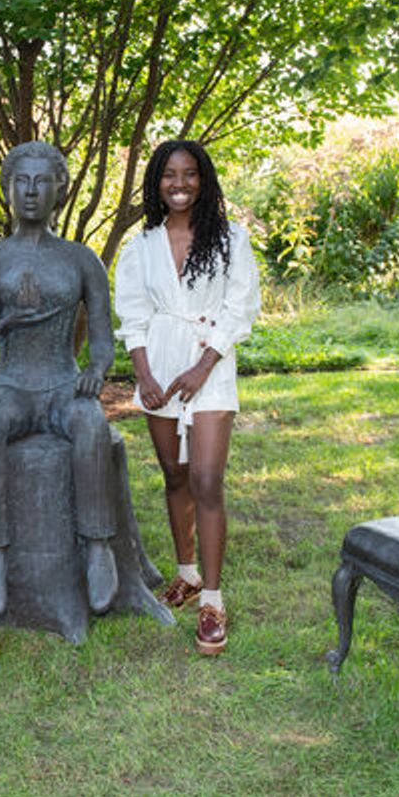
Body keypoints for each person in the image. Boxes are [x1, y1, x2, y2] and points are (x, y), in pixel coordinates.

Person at [0, 141, 119, 620]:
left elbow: (103, 339)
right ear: (6, 189)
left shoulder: (82, 259)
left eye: (42, 182)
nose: (30, 191)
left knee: (90, 423)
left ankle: (98, 546)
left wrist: (95, 371)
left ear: (59, 192)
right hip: (11, 385)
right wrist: (4, 324)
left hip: (64, 383)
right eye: (21, 181)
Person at [113, 139, 260, 655]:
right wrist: (144, 375)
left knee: (206, 479)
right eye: (169, 175)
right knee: (174, 475)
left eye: (189, 174)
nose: (179, 184)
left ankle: (213, 600)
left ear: (204, 179)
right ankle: (187, 573)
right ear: (156, 183)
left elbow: (241, 306)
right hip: (159, 363)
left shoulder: (229, 239)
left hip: (209, 365)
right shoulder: (143, 245)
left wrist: (203, 366)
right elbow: (131, 311)